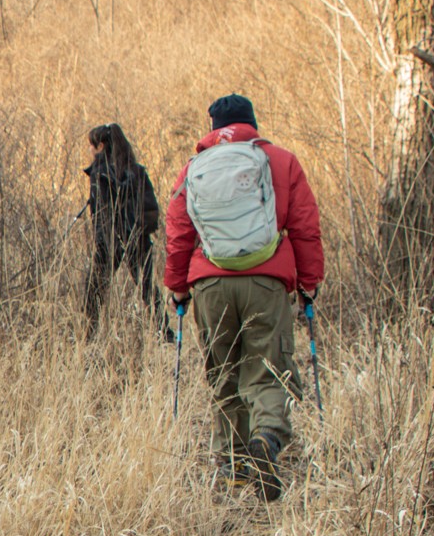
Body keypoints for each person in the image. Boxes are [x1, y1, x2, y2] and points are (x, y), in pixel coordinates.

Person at [163, 93, 324, 500]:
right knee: (268, 368)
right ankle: (267, 438)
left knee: (224, 371)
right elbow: (305, 225)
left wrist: (178, 285)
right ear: (253, 122)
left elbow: (179, 230)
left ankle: (235, 469)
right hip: (266, 282)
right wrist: (309, 280)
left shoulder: (193, 168)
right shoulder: (280, 161)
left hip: (210, 286)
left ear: (212, 126)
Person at [81, 122, 162, 339]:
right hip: (139, 238)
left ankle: (88, 334)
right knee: (147, 287)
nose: (90, 150)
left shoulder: (100, 174)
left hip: (110, 241)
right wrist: (140, 231)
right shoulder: (137, 171)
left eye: (92, 145)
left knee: (95, 288)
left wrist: (101, 245)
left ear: (101, 146)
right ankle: (165, 332)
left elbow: (102, 216)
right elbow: (152, 209)